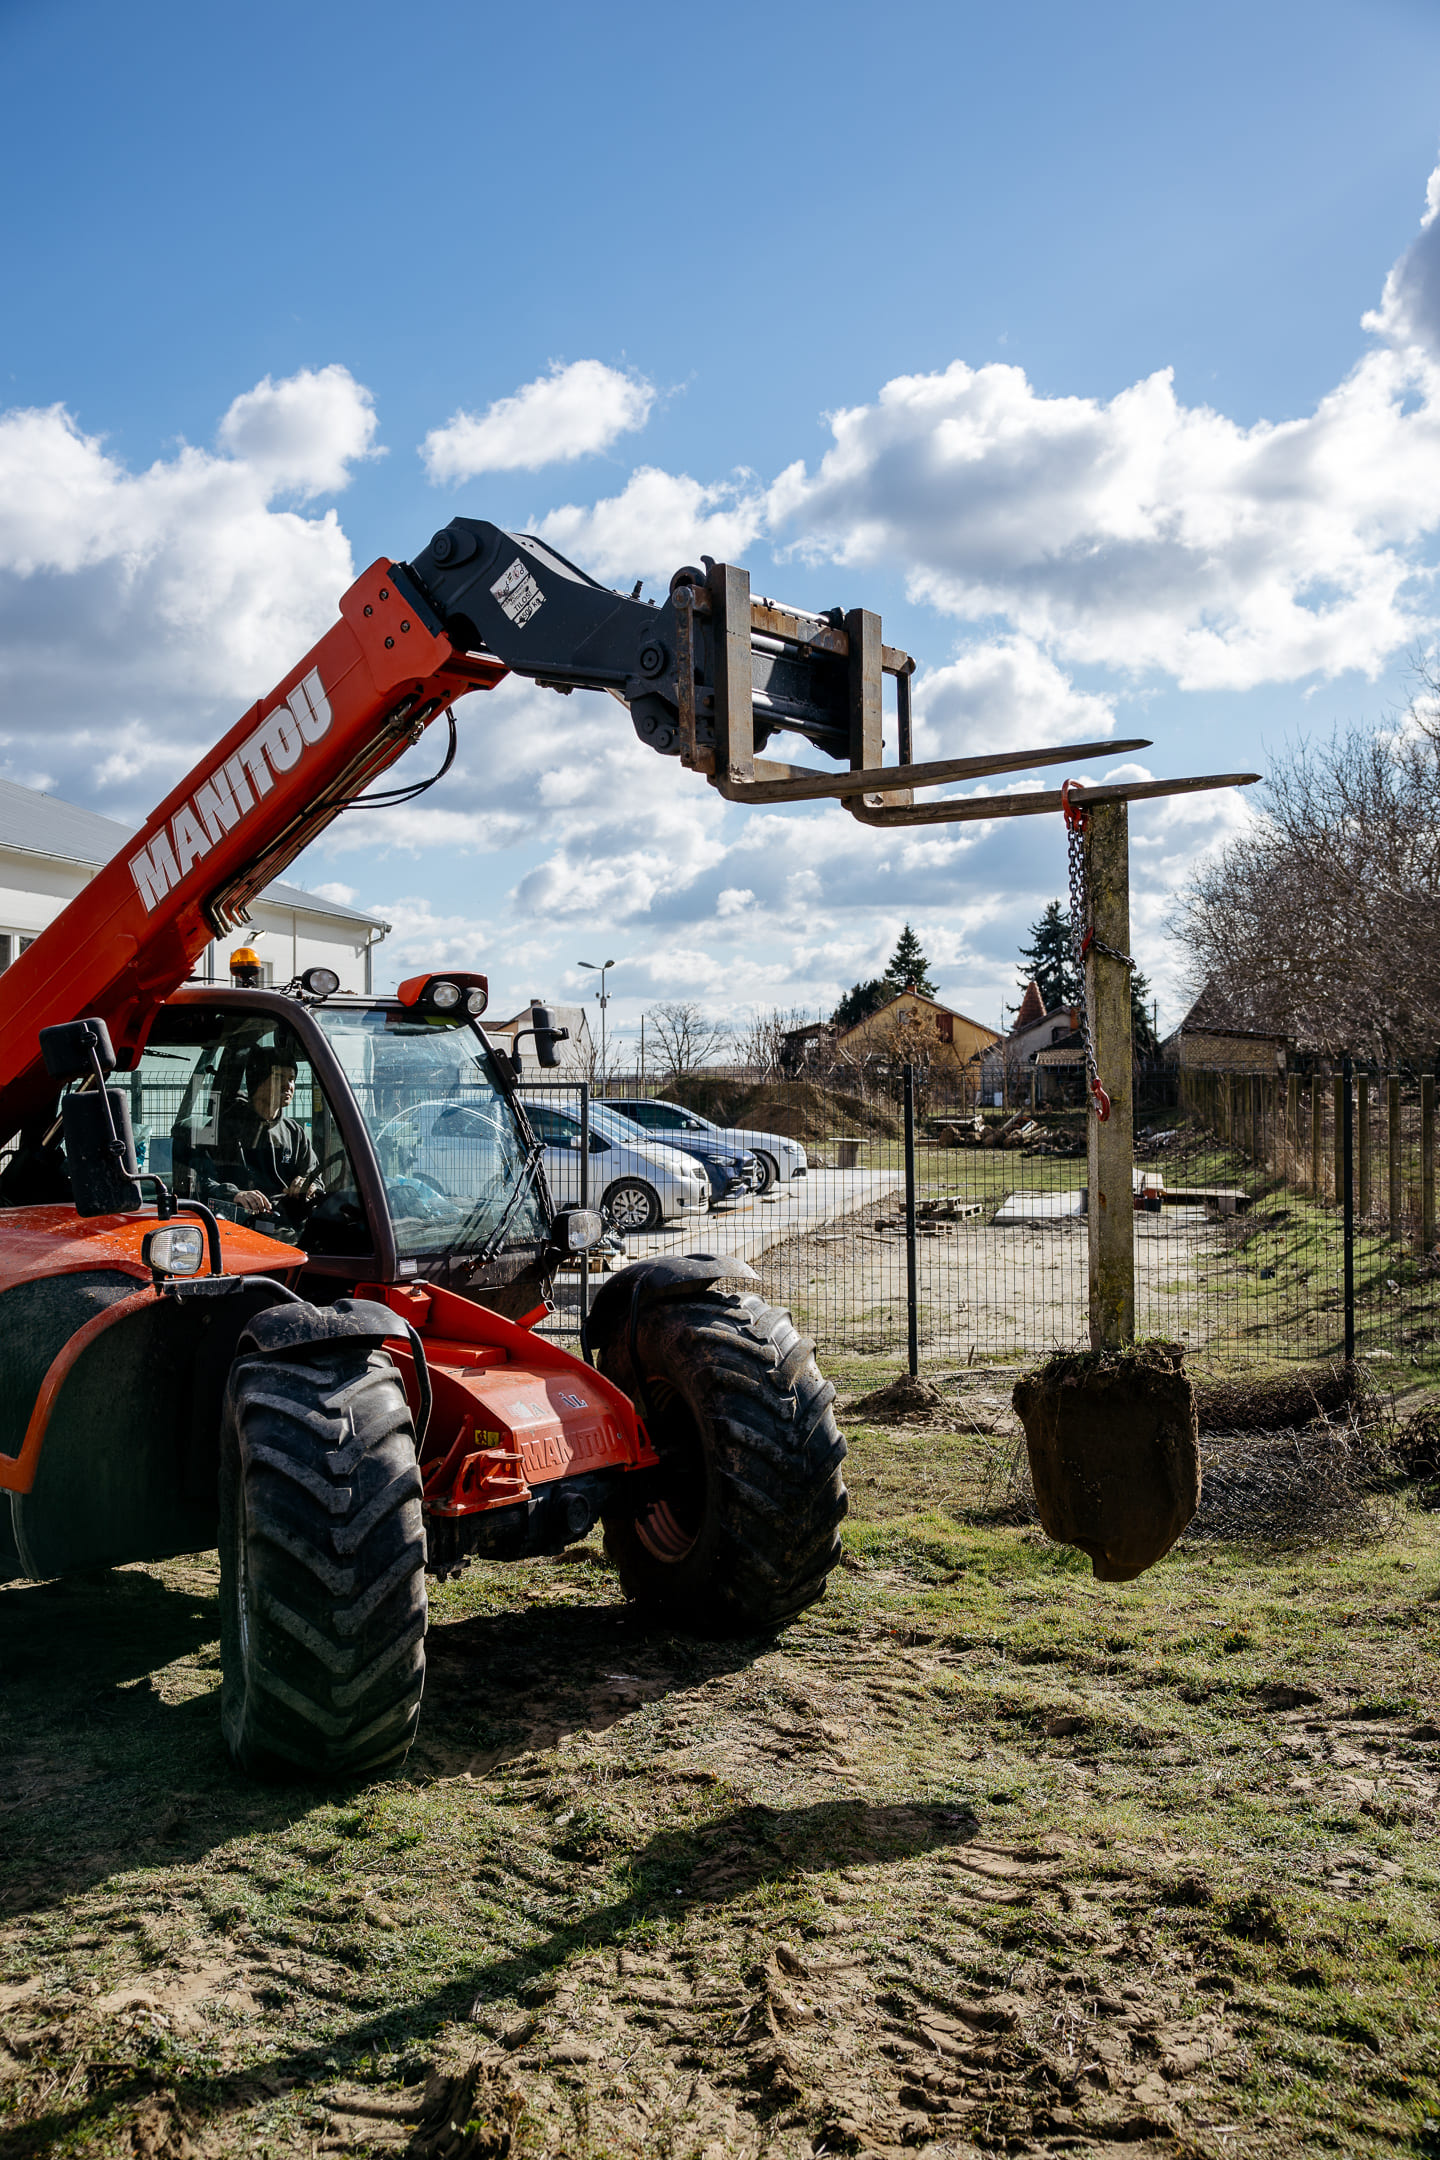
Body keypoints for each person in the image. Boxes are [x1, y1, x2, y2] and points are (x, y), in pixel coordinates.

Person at [195, 1043, 321, 1222]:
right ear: (258, 1081)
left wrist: (308, 1184)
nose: (288, 1085)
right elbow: (202, 1183)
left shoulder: (294, 1133)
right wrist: (235, 1194)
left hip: (287, 1226)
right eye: (278, 1077)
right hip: (239, 1225)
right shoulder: (224, 1131)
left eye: (291, 1079)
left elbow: (315, 1175)